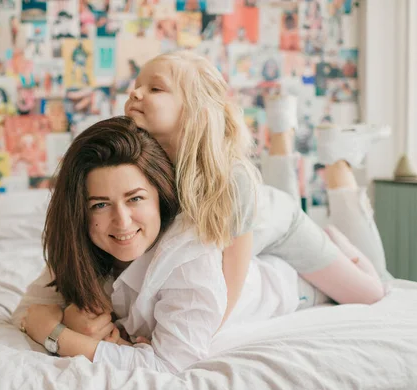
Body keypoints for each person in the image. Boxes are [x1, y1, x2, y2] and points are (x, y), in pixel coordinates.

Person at [15, 115, 389, 374]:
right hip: (261, 226)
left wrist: (60, 335)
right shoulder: (83, 248)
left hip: (291, 280)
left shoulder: (185, 261)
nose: (122, 222)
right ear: (79, 213)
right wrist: (61, 318)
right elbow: (28, 309)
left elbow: (166, 366)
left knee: (377, 282)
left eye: (135, 199)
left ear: (160, 196)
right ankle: (289, 136)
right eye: (100, 205)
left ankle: (339, 165)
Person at [122, 51, 386, 325]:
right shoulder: (140, 166)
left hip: (283, 227)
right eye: (137, 85)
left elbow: (233, 275)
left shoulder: (232, 178)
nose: (136, 93)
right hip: (262, 219)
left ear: (194, 110)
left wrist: (208, 327)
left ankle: (339, 244)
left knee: (373, 292)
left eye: (155, 88)